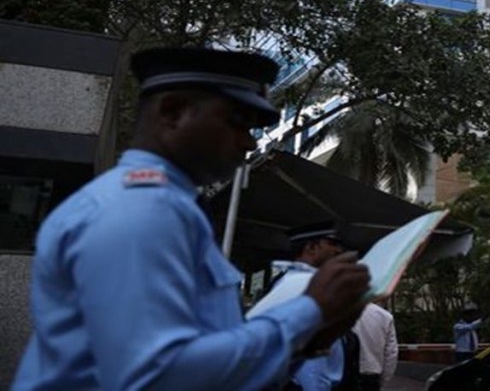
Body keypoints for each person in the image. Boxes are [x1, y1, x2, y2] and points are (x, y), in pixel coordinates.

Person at [13, 47, 370, 390]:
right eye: (238, 122)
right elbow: (155, 376)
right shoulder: (138, 211)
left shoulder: (172, 210)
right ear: (172, 111)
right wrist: (308, 311)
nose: (249, 142)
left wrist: (309, 340)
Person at [270, 224, 350, 391]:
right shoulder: (305, 286)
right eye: (332, 244)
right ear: (311, 248)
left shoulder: (296, 282)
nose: (339, 250)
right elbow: (311, 359)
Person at [351, 302, 398, 391]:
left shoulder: (342, 315)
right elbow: (391, 353)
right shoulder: (385, 316)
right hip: (372, 375)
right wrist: (384, 379)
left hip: (347, 375)